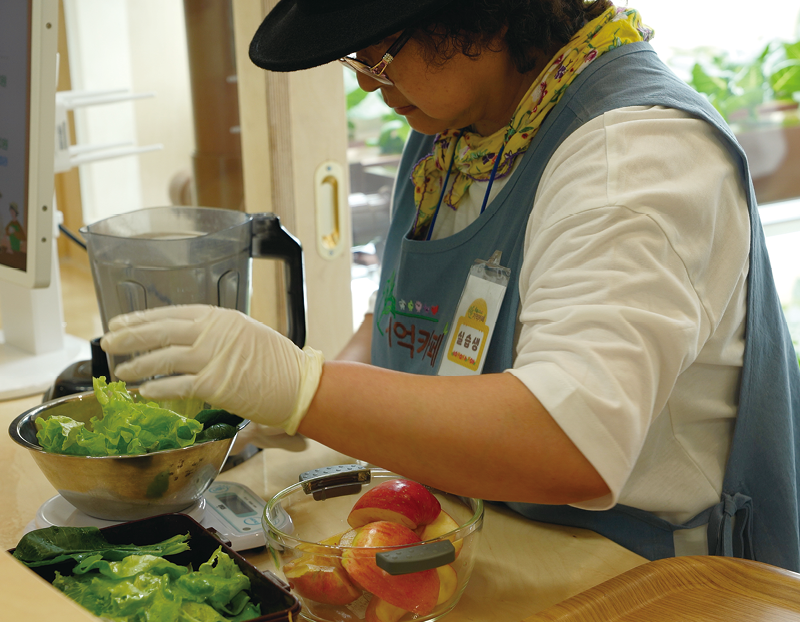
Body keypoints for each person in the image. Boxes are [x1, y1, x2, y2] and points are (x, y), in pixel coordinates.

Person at [101, 0, 800, 569]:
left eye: (378, 51)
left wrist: (302, 386)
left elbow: (569, 440)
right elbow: (407, 323)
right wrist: (272, 409)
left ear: (485, 15)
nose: (367, 83)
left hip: (640, 584)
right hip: (481, 544)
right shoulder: (459, 132)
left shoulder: (634, 156)